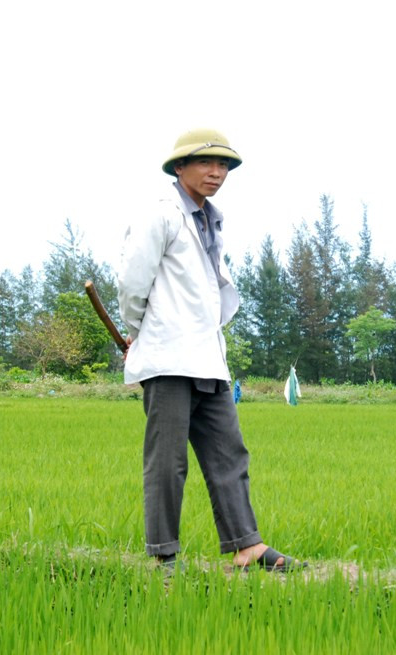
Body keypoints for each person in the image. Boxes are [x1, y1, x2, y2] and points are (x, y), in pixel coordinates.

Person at [118, 128, 305, 572]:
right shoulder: (160, 215)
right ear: (179, 168)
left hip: (208, 358)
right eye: (206, 163)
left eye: (223, 165)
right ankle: (164, 554)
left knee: (229, 453)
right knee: (168, 462)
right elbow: (131, 282)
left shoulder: (209, 219)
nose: (216, 172)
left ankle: (247, 545)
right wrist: (139, 332)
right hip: (168, 359)